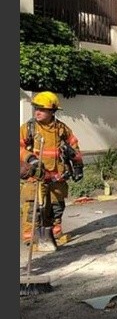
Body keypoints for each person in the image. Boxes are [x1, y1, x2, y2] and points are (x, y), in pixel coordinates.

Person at [19, 91, 84, 251]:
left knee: (56, 207)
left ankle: (53, 235)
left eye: (42, 109)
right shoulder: (29, 128)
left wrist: (77, 165)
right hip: (36, 176)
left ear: (52, 111)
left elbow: (74, 145)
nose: (37, 112)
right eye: (36, 109)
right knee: (33, 208)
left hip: (57, 177)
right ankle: (31, 239)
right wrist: (30, 158)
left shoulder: (61, 129)